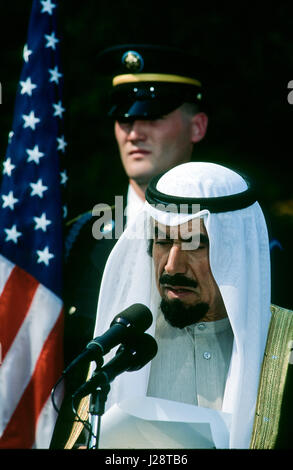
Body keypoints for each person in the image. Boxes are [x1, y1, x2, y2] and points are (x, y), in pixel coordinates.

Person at [50, 44, 209, 448]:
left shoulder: (246, 244)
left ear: (197, 127)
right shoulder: (75, 240)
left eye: (153, 115)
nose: (134, 131)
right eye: (124, 115)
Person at [81, 162, 292, 449]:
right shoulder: (118, 350)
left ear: (234, 253)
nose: (172, 265)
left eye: (195, 244)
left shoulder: (284, 349)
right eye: (163, 242)